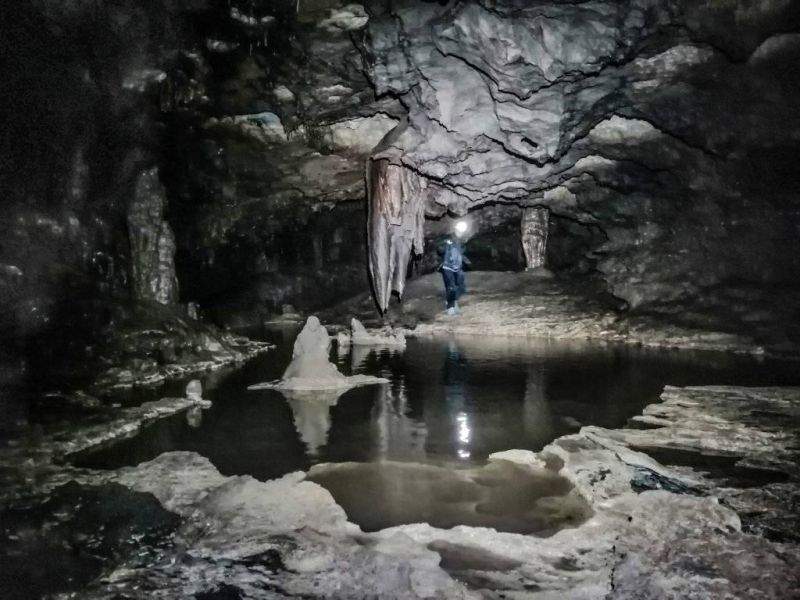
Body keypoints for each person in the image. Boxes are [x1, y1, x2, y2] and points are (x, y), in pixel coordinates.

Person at [438, 231, 471, 315]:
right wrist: (444, 244)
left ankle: (454, 301)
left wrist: (465, 261)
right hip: (448, 267)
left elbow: (462, 251)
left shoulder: (461, 241)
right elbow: (440, 250)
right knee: (451, 287)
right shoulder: (447, 240)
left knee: (461, 287)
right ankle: (450, 307)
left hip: (458, 267)